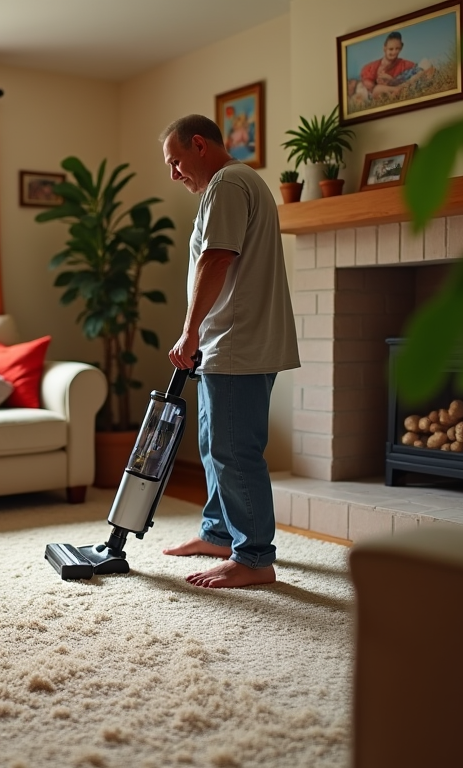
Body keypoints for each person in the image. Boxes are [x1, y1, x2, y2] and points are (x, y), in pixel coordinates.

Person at [158, 115, 300, 589]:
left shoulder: (228, 183)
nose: (174, 174)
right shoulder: (239, 183)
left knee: (235, 451)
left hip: (236, 342)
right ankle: (220, 535)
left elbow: (217, 258)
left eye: (176, 161)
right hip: (232, 343)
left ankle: (254, 558)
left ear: (199, 145)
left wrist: (189, 330)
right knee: (215, 446)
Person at [358, 32, 432, 100]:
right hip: (379, 92)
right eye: (391, 49)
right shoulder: (371, 67)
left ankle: (399, 90)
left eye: (397, 49)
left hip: (401, 87)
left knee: (426, 66)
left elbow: (419, 70)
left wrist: (392, 80)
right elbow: (370, 87)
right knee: (374, 89)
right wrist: (382, 83)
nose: (394, 52)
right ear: (384, 48)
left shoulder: (405, 64)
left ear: (401, 47)